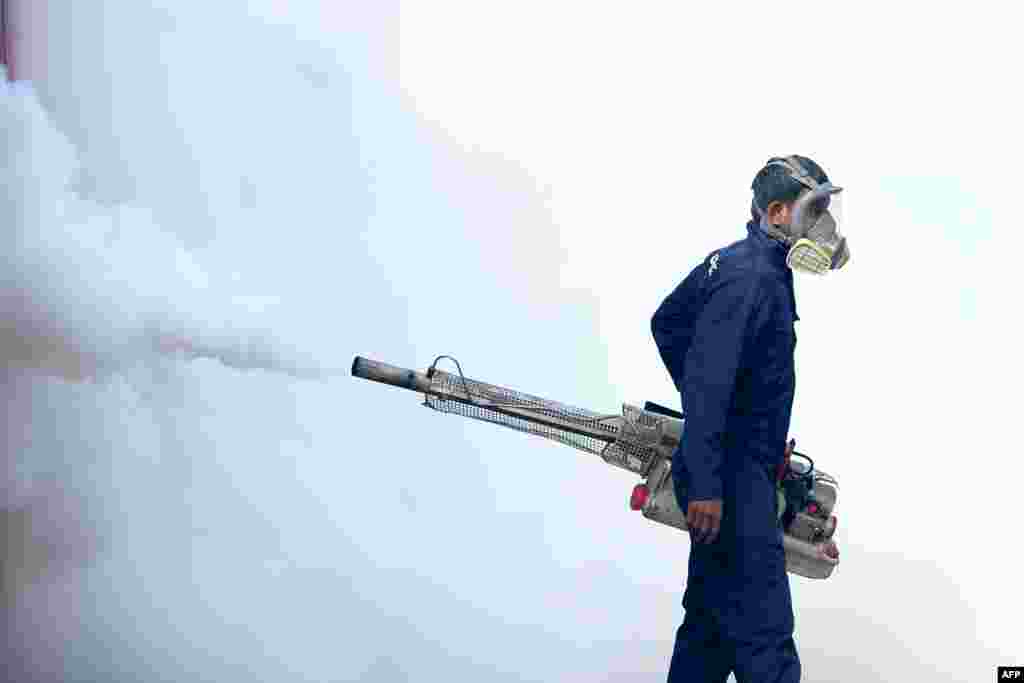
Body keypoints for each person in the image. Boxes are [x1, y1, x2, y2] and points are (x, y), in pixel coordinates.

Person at [650, 155, 849, 682]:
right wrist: (714, 475)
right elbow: (709, 377)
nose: (824, 225)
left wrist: (723, 414)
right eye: (815, 210)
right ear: (779, 213)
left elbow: (668, 324)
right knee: (766, 643)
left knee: (709, 635)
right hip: (732, 482)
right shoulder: (753, 280)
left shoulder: (742, 265)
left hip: (734, 466)